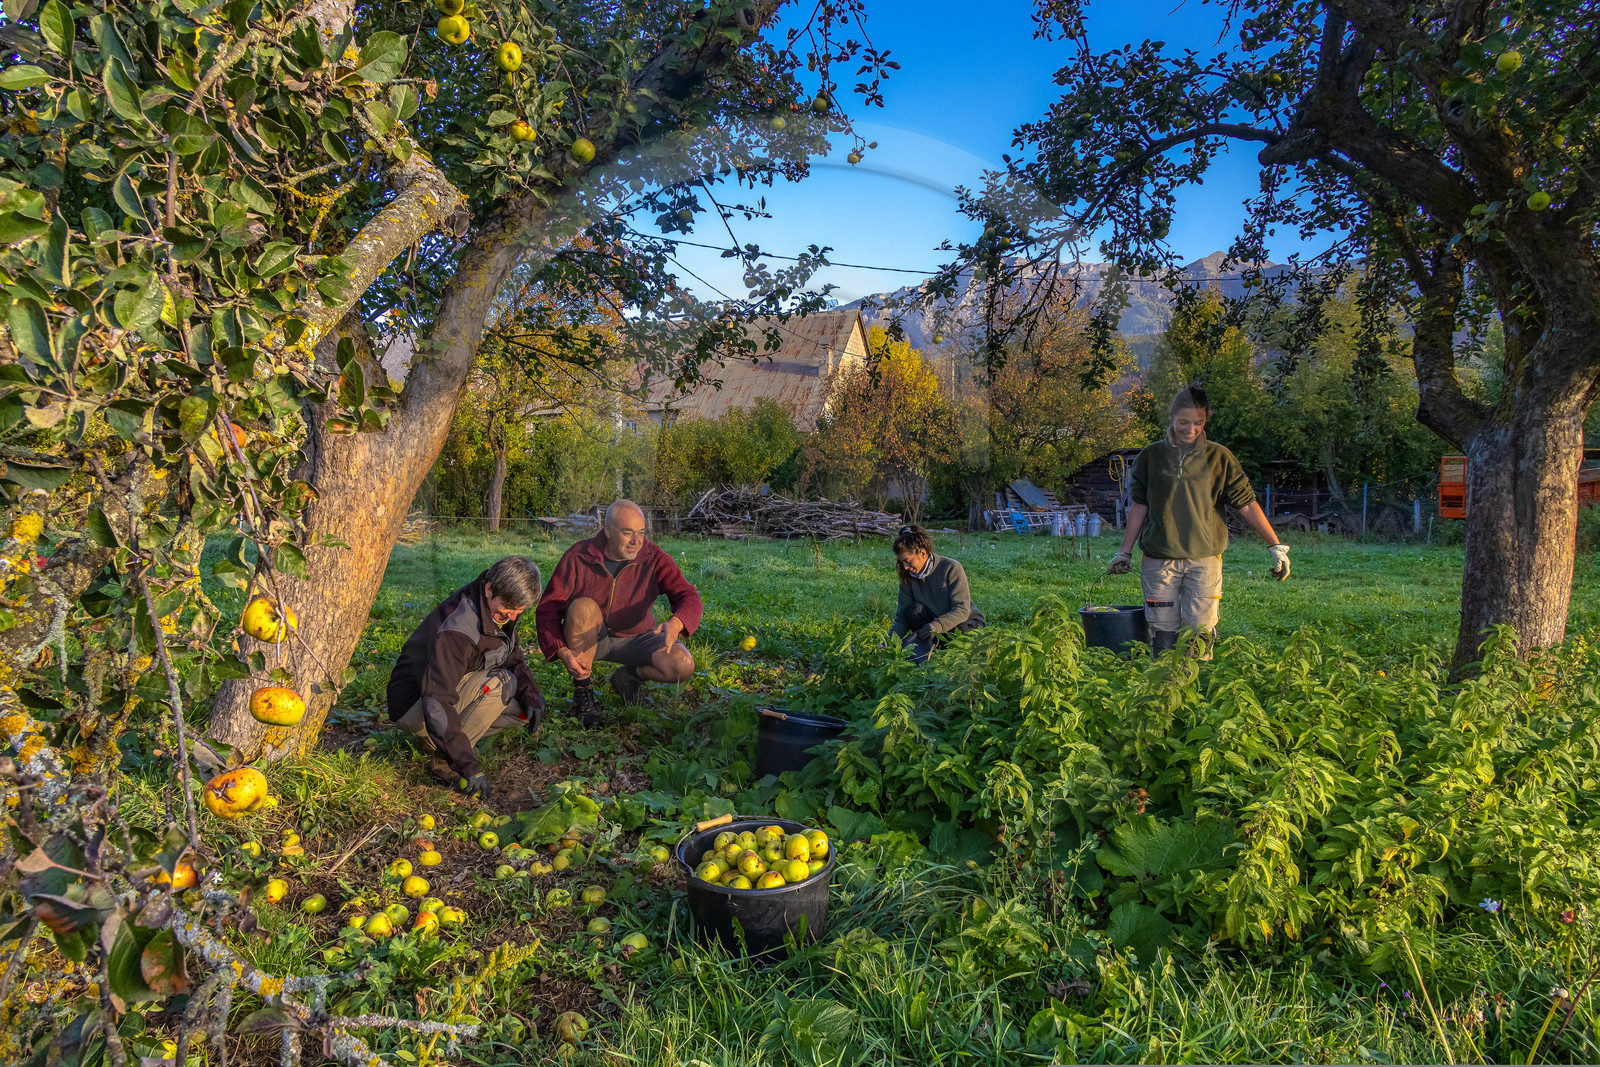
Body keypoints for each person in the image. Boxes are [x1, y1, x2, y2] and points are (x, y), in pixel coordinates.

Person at [1106, 382, 1289, 658]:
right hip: (1159, 558)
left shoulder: (1219, 458)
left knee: (1200, 631)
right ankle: (1164, 687)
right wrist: (1124, 551)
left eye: (1198, 423)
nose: (1190, 429)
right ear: (1172, 416)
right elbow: (1140, 507)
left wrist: (1275, 545)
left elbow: (1247, 504)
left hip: (1204, 559)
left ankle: (1197, 688)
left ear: (1205, 420)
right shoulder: (1151, 456)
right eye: (1183, 422)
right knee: (1163, 631)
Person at [389, 556, 547, 800]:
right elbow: (436, 701)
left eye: (519, 611)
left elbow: (511, 655)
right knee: (501, 684)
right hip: (415, 704)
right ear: (488, 589)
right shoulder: (459, 627)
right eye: (509, 609)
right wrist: (467, 765)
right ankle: (446, 760)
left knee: (521, 711)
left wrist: (532, 695)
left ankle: (444, 741)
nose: (513, 617)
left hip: (445, 691)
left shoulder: (498, 609)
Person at [535, 499, 702, 726]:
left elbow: (688, 595)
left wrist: (676, 622)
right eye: (628, 533)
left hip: (637, 638)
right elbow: (548, 608)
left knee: (683, 665)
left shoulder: (653, 557)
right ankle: (583, 695)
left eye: (641, 533)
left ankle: (628, 678)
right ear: (608, 530)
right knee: (583, 606)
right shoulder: (579, 556)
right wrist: (561, 650)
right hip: (592, 638)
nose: (636, 541)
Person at [889, 524, 985, 663]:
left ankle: (942, 652)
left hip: (964, 621)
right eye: (901, 562)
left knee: (962, 636)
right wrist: (886, 644)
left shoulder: (951, 568)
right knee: (912, 611)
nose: (905, 567)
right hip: (933, 624)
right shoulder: (908, 576)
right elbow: (902, 617)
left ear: (922, 553)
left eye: (907, 561)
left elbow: (962, 609)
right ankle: (932, 650)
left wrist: (936, 626)